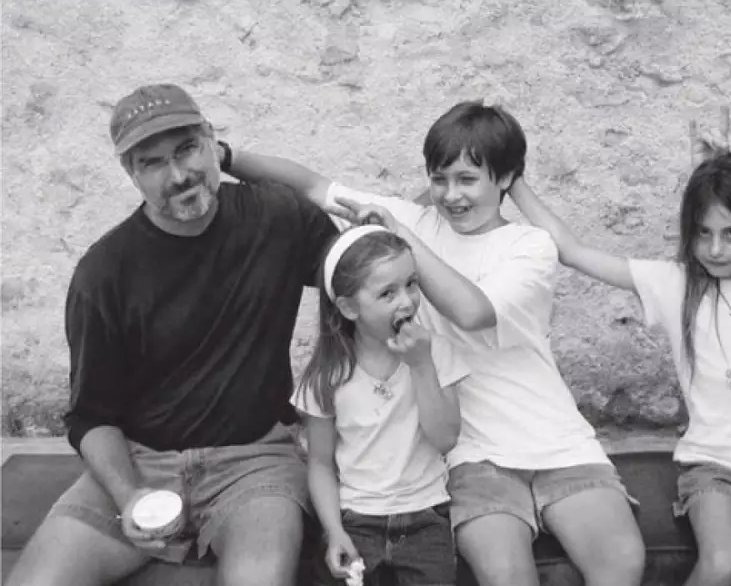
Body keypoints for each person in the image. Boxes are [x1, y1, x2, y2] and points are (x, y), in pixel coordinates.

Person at [222, 101, 647, 586]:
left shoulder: (529, 246)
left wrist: (399, 231)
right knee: (507, 577)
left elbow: (472, 312)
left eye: (467, 180)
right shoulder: (412, 219)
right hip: (472, 451)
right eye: (439, 179)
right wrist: (225, 156)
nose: (450, 195)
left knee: (622, 565)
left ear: (506, 178)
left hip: (555, 440)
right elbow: (312, 186)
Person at [6, 84, 339, 586]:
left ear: (211, 141)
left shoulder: (278, 218)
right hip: (141, 460)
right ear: (131, 173)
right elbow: (90, 415)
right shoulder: (103, 273)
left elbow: (359, 278)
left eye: (187, 149)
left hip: (256, 457)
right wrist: (128, 497)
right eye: (153, 162)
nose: (179, 175)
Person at [507, 119, 731, 586]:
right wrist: (514, 181)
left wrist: (724, 165)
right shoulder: (677, 285)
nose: (715, 248)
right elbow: (574, 251)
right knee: (723, 563)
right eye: (703, 233)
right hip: (712, 465)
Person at [294, 221, 475, 586]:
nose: (406, 301)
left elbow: (445, 439)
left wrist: (421, 365)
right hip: (355, 519)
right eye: (387, 293)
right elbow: (320, 463)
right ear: (348, 307)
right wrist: (333, 531)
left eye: (411, 284)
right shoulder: (328, 374)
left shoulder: (434, 353)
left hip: (425, 516)